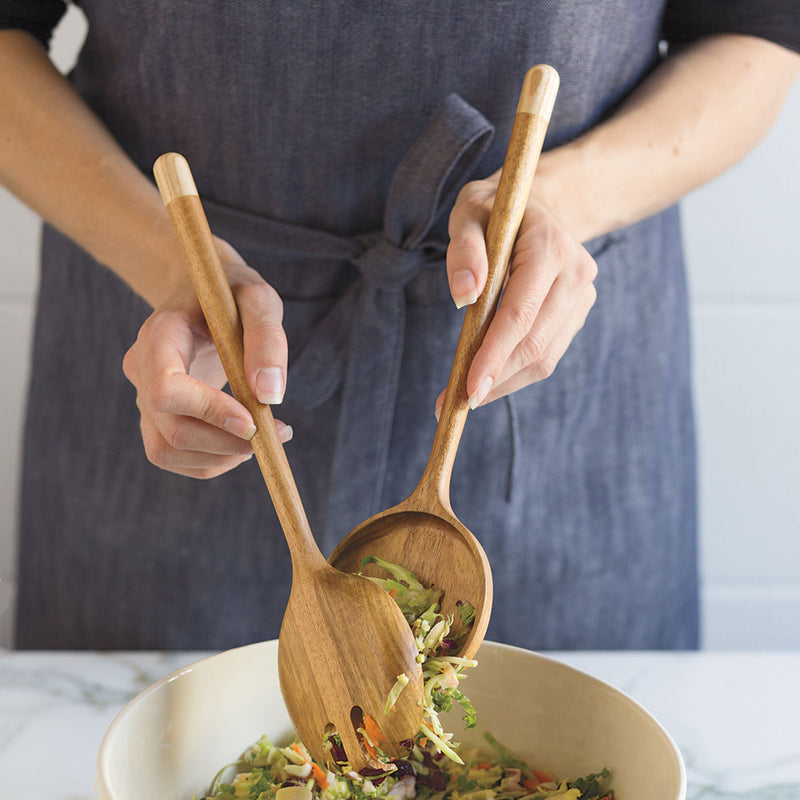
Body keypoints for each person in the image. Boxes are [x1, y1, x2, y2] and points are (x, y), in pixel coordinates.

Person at [1, 1, 798, 651]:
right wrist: (169, 261)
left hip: (555, 391)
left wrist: (562, 199)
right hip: (184, 350)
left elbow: (757, 34)